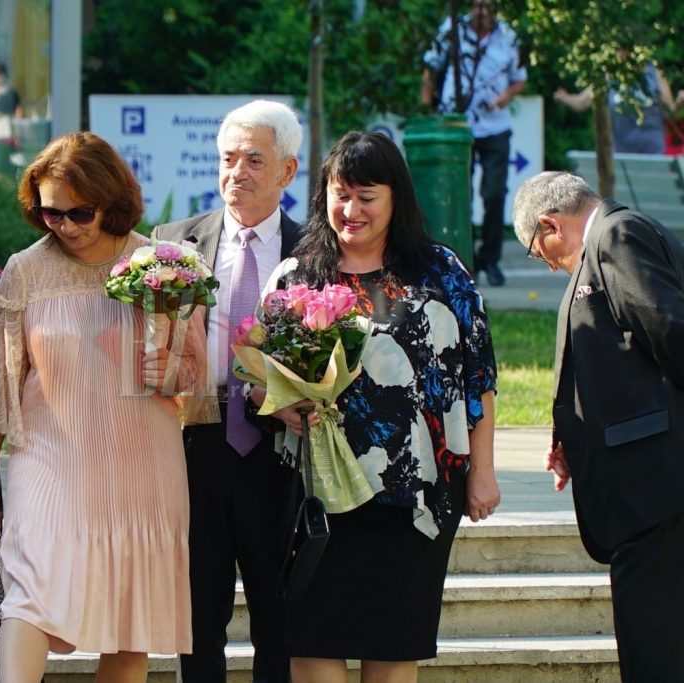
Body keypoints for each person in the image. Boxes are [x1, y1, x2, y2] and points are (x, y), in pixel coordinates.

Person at [0, 131, 217, 682]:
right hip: (48, 461)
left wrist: (169, 371)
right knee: (28, 595)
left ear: (112, 200)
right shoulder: (26, 269)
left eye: (79, 212)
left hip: (141, 468)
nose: (65, 226)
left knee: (130, 621)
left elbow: (192, 379)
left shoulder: (165, 268)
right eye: (50, 213)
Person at [262, 132, 500, 683]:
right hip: (319, 492)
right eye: (340, 195)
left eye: (366, 197)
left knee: (394, 645)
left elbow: (479, 378)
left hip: (415, 492)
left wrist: (483, 472)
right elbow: (260, 379)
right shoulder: (297, 276)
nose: (351, 211)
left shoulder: (441, 272)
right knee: (313, 642)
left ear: (396, 198)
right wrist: (280, 406)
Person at [512, 171, 684, 682]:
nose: (547, 265)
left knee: (655, 645)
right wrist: (573, 434)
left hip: (656, 485)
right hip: (645, 489)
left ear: (549, 226)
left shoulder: (617, 235)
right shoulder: (605, 244)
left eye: (537, 253)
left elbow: (670, 330)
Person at [153, 99, 303, 683]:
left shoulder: (315, 252)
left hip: (281, 452)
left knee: (280, 617)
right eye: (227, 158)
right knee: (198, 615)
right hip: (199, 443)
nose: (236, 172)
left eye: (254, 160)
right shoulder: (174, 243)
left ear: (288, 170)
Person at [421, 0, 527, 287]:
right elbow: (431, 66)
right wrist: (428, 105)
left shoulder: (508, 37)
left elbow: (519, 79)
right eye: (478, 5)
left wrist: (506, 96)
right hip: (457, 124)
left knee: (494, 193)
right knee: (459, 194)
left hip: (495, 126)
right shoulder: (453, 29)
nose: (482, 12)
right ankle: (462, 260)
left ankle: (489, 259)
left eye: (487, 6)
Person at [553, 63, 675, 154]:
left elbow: (670, 112)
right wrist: (564, 98)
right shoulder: (610, 76)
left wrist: (677, 103)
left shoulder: (655, 74)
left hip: (654, 152)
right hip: (620, 153)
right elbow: (582, 102)